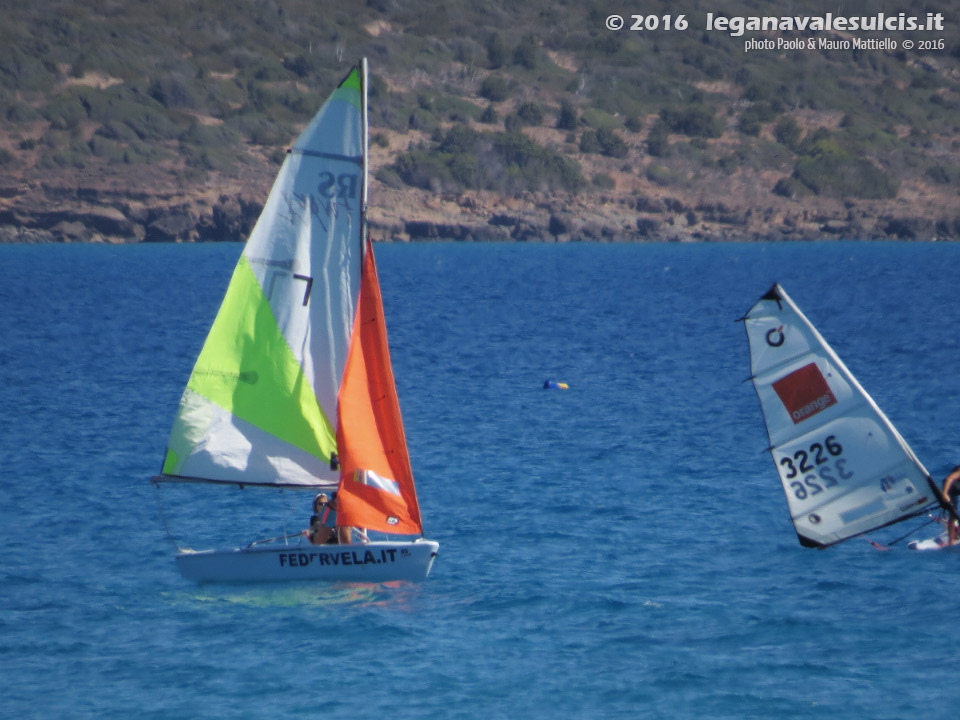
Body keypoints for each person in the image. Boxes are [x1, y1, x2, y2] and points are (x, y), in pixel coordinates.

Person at [941, 466, 960, 545]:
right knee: (953, 514)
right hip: (951, 488)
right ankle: (951, 540)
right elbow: (949, 478)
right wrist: (945, 493)